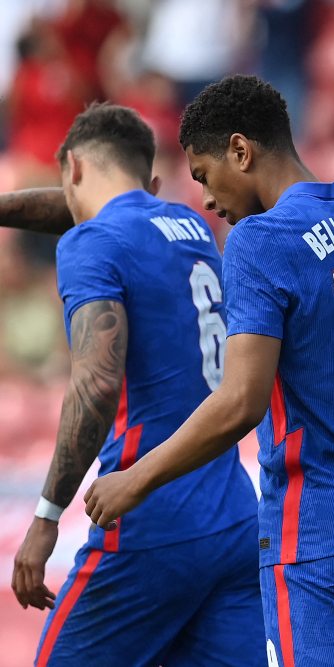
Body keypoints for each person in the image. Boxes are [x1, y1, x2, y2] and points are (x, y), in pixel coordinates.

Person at [80, 75, 334, 667]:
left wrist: (136, 478)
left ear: (241, 151)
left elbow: (241, 401)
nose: (208, 201)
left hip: (313, 534)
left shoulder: (261, 239)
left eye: (206, 176)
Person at [9, 103, 264, 666]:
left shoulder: (90, 243)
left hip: (149, 521)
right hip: (233, 521)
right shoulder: (191, 226)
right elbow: (91, 213)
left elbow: (97, 385)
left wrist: (47, 517)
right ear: (150, 182)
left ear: (72, 167)